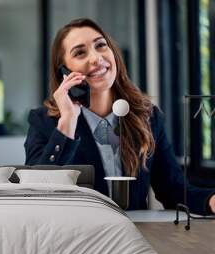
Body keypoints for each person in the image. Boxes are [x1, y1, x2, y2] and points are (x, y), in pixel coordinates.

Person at [24, 18, 215, 215]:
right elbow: (38, 193)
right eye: (80, 53)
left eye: (101, 45)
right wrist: (67, 123)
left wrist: (210, 200)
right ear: (64, 71)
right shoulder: (44, 122)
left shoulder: (147, 117)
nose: (96, 58)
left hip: (132, 237)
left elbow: (173, 190)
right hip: (76, 237)